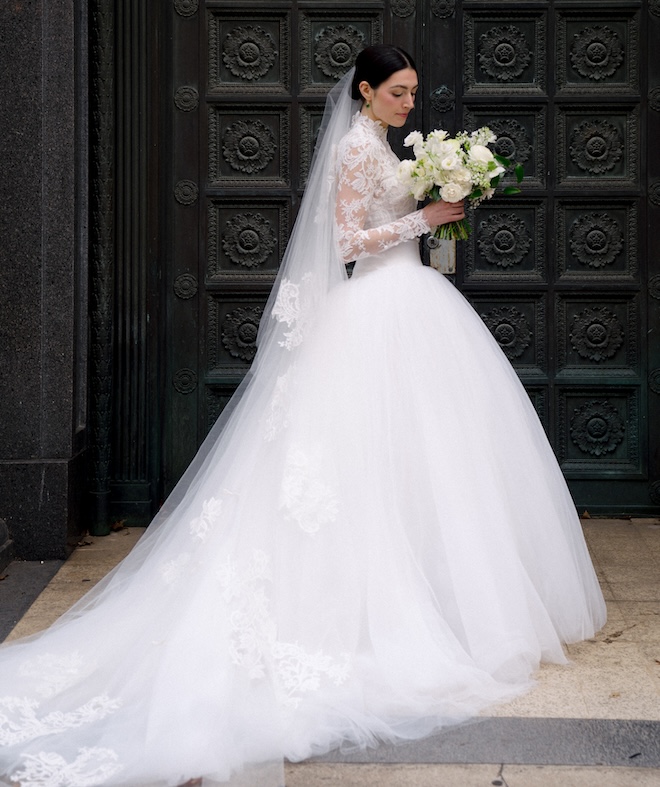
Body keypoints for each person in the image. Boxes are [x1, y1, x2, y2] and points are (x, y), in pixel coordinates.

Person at [0, 44, 605, 787]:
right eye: (398, 93)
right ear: (366, 91)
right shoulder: (356, 149)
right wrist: (427, 217)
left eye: (414, 94)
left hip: (414, 306)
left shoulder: (385, 145)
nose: (409, 104)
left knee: (424, 463)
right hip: (376, 309)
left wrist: (438, 213)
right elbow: (347, 242)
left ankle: (437, 596)